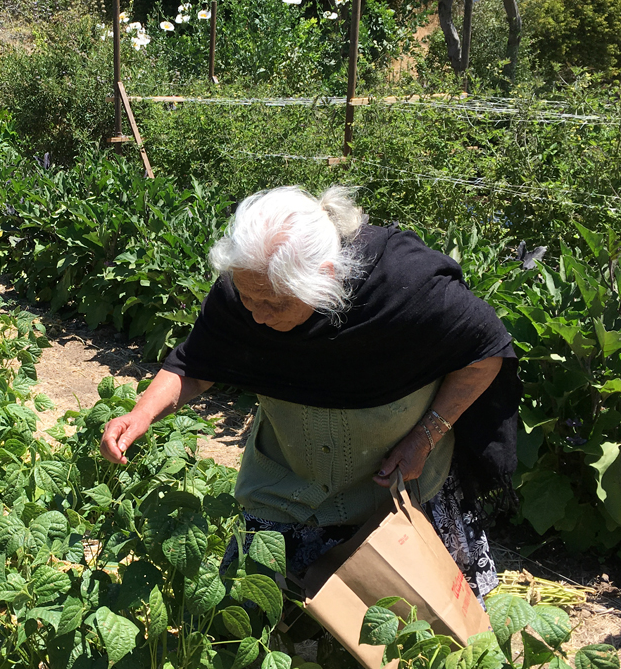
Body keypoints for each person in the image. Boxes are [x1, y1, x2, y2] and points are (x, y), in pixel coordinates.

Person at [99, 186, 520, 598]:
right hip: (288, 485)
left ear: (326, 277)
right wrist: (142, 414)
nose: (258, 317)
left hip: (397, 487)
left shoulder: (407, 287)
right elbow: (194, 365)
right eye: (249, 299)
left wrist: (425, 437)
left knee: (412, 630)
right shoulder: (245, 288)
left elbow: (485, 352)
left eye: (275, 303)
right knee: (253, 621)